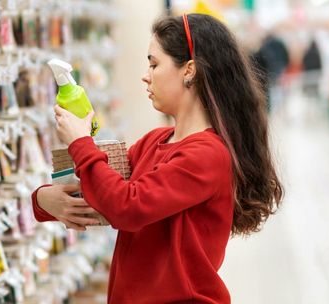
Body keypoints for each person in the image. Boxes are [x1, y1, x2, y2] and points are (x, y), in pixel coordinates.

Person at [31, 14, 283, 303]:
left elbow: (127, 207)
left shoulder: (209, 154)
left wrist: (80, 142)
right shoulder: (156, 141)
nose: (146, 75)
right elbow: (103, 192)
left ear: (189, 70)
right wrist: (43, 200)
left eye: (154, 64)